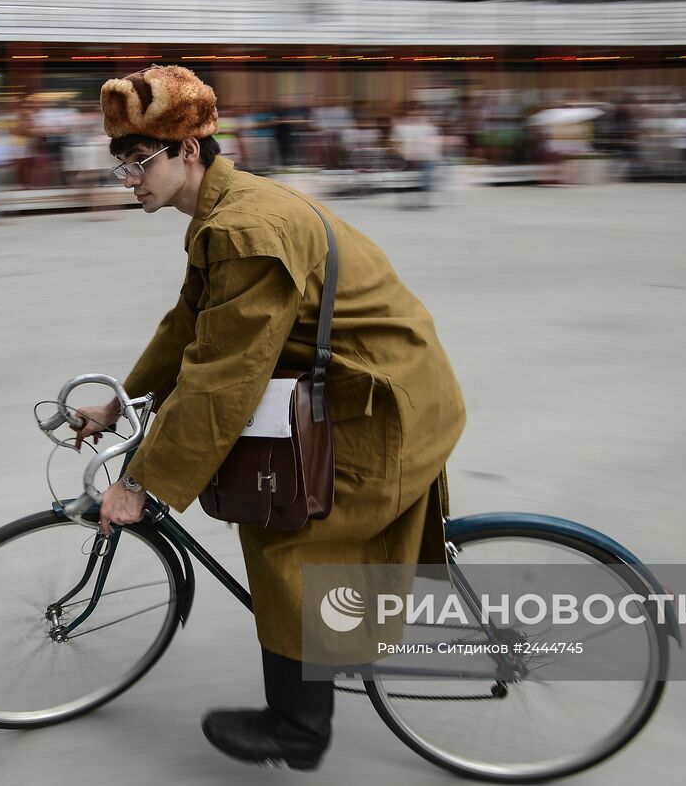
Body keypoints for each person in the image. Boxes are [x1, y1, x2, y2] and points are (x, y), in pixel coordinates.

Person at [71, 65, 465, 771]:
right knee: (283, 519)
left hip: (383, 401)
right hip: (357, 380)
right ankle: (328, 661)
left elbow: (222, 377)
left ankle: (299, 729)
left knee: (289, 537)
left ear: (189, 151)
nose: (128, 177)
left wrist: (141, 483)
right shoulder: (223, 213)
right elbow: (189, 327)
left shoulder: (245, 227)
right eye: (119, 164)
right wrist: (121, 404)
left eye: (139, 161)